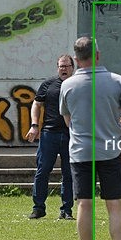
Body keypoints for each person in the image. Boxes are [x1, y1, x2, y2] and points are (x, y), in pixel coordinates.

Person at [60, 37, 121, 240]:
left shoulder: (68, 85)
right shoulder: (118, 81)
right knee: (114, 205)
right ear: (97, 55)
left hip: (81, 153)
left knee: (84, 204)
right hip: (110, 151)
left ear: (75, 59)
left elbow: (67, 119)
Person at [25, 55, 75, 220]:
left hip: (71, 134)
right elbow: (36, 104)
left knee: (68, 173)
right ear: (57, 67)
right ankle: (38, 208)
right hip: (49, 133)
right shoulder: (48, 84)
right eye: (61, 66)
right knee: (42, 171)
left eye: (67, 66)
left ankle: (66, 210)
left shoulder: (78, 85)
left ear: (72, 68)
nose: (64, 69)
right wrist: (34, 126)